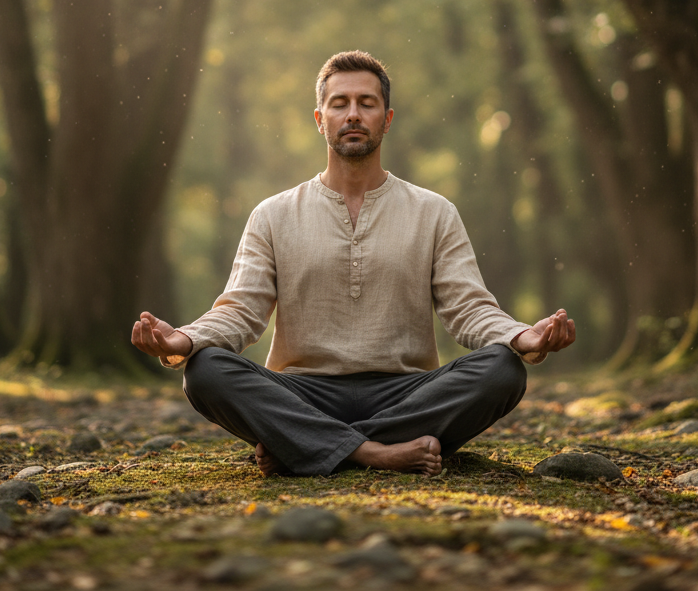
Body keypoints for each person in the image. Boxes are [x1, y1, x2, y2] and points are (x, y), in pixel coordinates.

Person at [131, 50, 575, 477]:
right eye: (339, 103)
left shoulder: (434, 211)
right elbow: (242, 311)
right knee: (206, 371)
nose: (353, 114)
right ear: (320, 119)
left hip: (407, 393)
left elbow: (467, 308)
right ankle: (375, 453)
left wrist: (521, 335)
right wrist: (185, 340)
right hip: (303, 393)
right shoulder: (273, 214)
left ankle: (304, 449)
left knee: (502, 370)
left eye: (367, 103)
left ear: (387, 118)